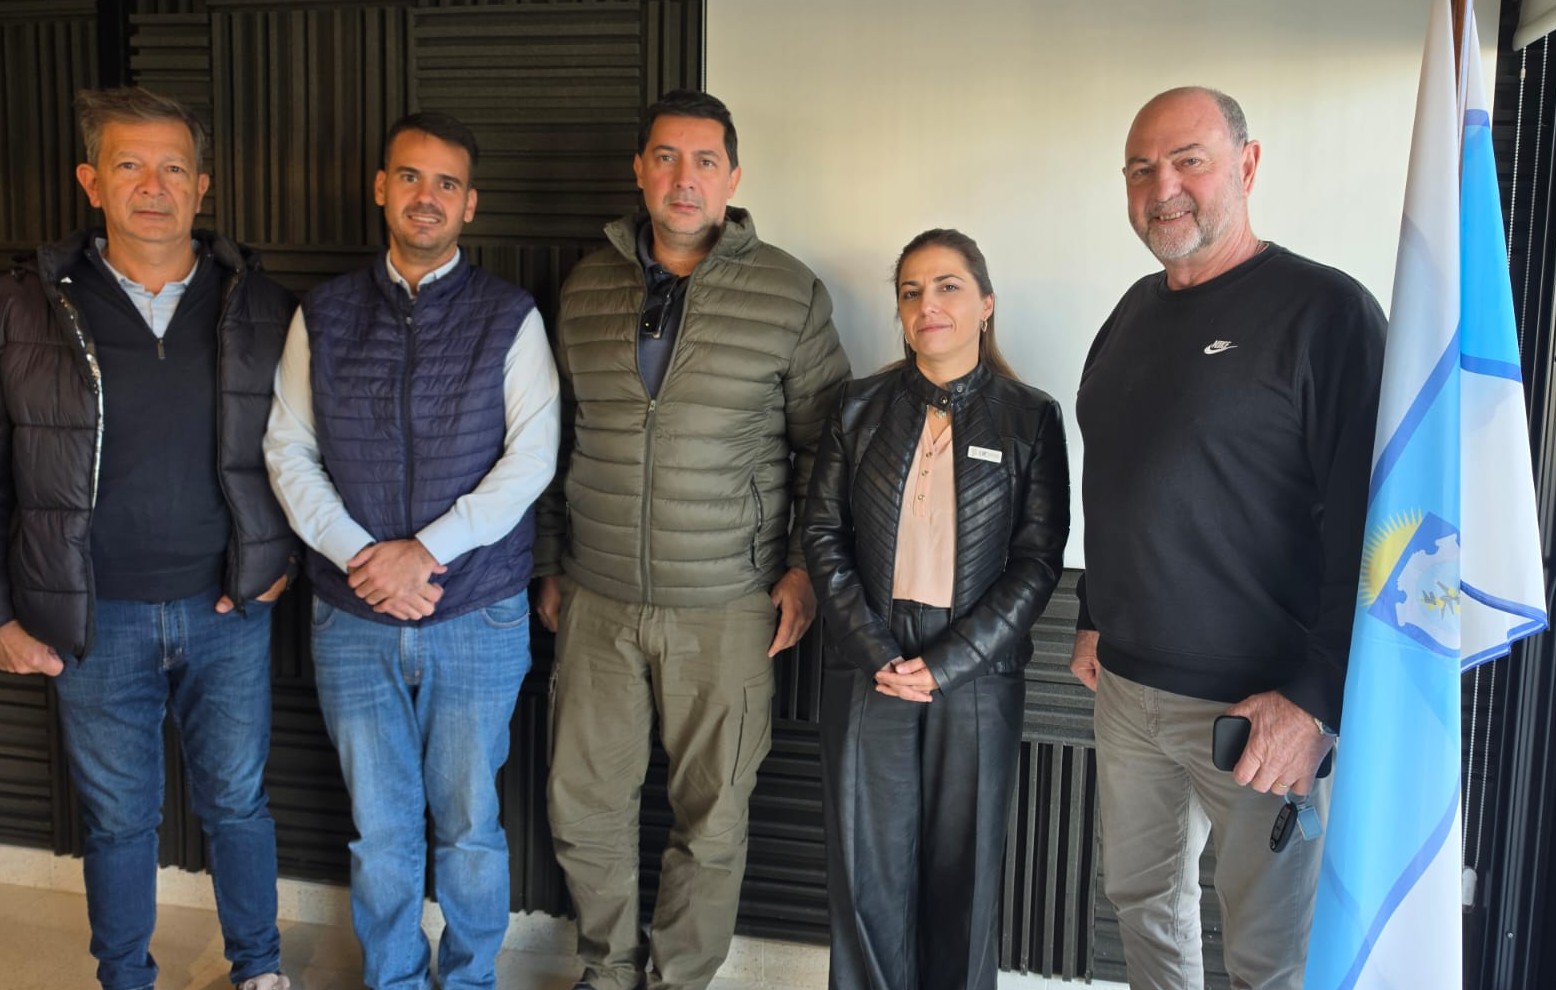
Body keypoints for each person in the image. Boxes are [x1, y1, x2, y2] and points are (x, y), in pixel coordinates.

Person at [533, 88, 851, 990]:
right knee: (583, 806)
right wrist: (550, 560)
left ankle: (678, 981)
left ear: (733, 177)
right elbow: (556, 436)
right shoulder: (585, 287)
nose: (685, 178)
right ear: (639, 170)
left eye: (705, 160)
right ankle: (606, 970)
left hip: (727, 606)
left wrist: (803, 569)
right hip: (596, 597)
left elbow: (828, 447)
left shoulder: (789, 291)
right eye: (666, 158)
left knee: (712, 819)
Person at [1069, 86, 1386, 989]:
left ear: (1246, 165)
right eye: (1140, 170)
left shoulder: (1327, 315)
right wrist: (1093, 611)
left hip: (1260, 713)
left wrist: (1316, 700)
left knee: (1269, 957)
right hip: (1128, 692)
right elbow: (1121, 477)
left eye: (1188, 161)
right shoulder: (1132, 312)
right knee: (1143, 906)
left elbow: (1375, 526)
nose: (1162, 187)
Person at [0, 86, 296, 990]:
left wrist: (280, 557)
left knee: (238, 803)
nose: (153, 185)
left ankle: (259, 969)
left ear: (203, 185)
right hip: (93, 617)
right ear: (91, 181)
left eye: (174, 167)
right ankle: (124, 977)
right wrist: (1, 614)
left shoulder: (263, 306)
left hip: (227, 608)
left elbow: (309, 452)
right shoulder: (24, 309)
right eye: (129, 164)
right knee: (119, 819)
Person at [263, 110, 560, 990]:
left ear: (470, 204)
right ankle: (392, 979)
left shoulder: (509, 315)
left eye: (446, 183)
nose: (426, 196)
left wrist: (422, 552)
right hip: (353, 615)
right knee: (381, 827)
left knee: (469, 825)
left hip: (477, 611)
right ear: (380, 188)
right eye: (409, 176)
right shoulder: (323, 313)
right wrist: (366, 559)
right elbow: (287, 449)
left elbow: (532, 458)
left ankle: (468, 981)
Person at [803, 228, 1069, 990]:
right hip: (871, 667)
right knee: (867, 880)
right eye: (911, 291)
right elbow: (822, 535)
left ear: (986, 304)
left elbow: (1037, 562)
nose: (929, 304)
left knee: (965, 878)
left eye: (948, 286)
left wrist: (949, 662)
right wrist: (878, 654)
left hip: (977, 676)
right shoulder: (856, 408)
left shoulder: (1030, 419)